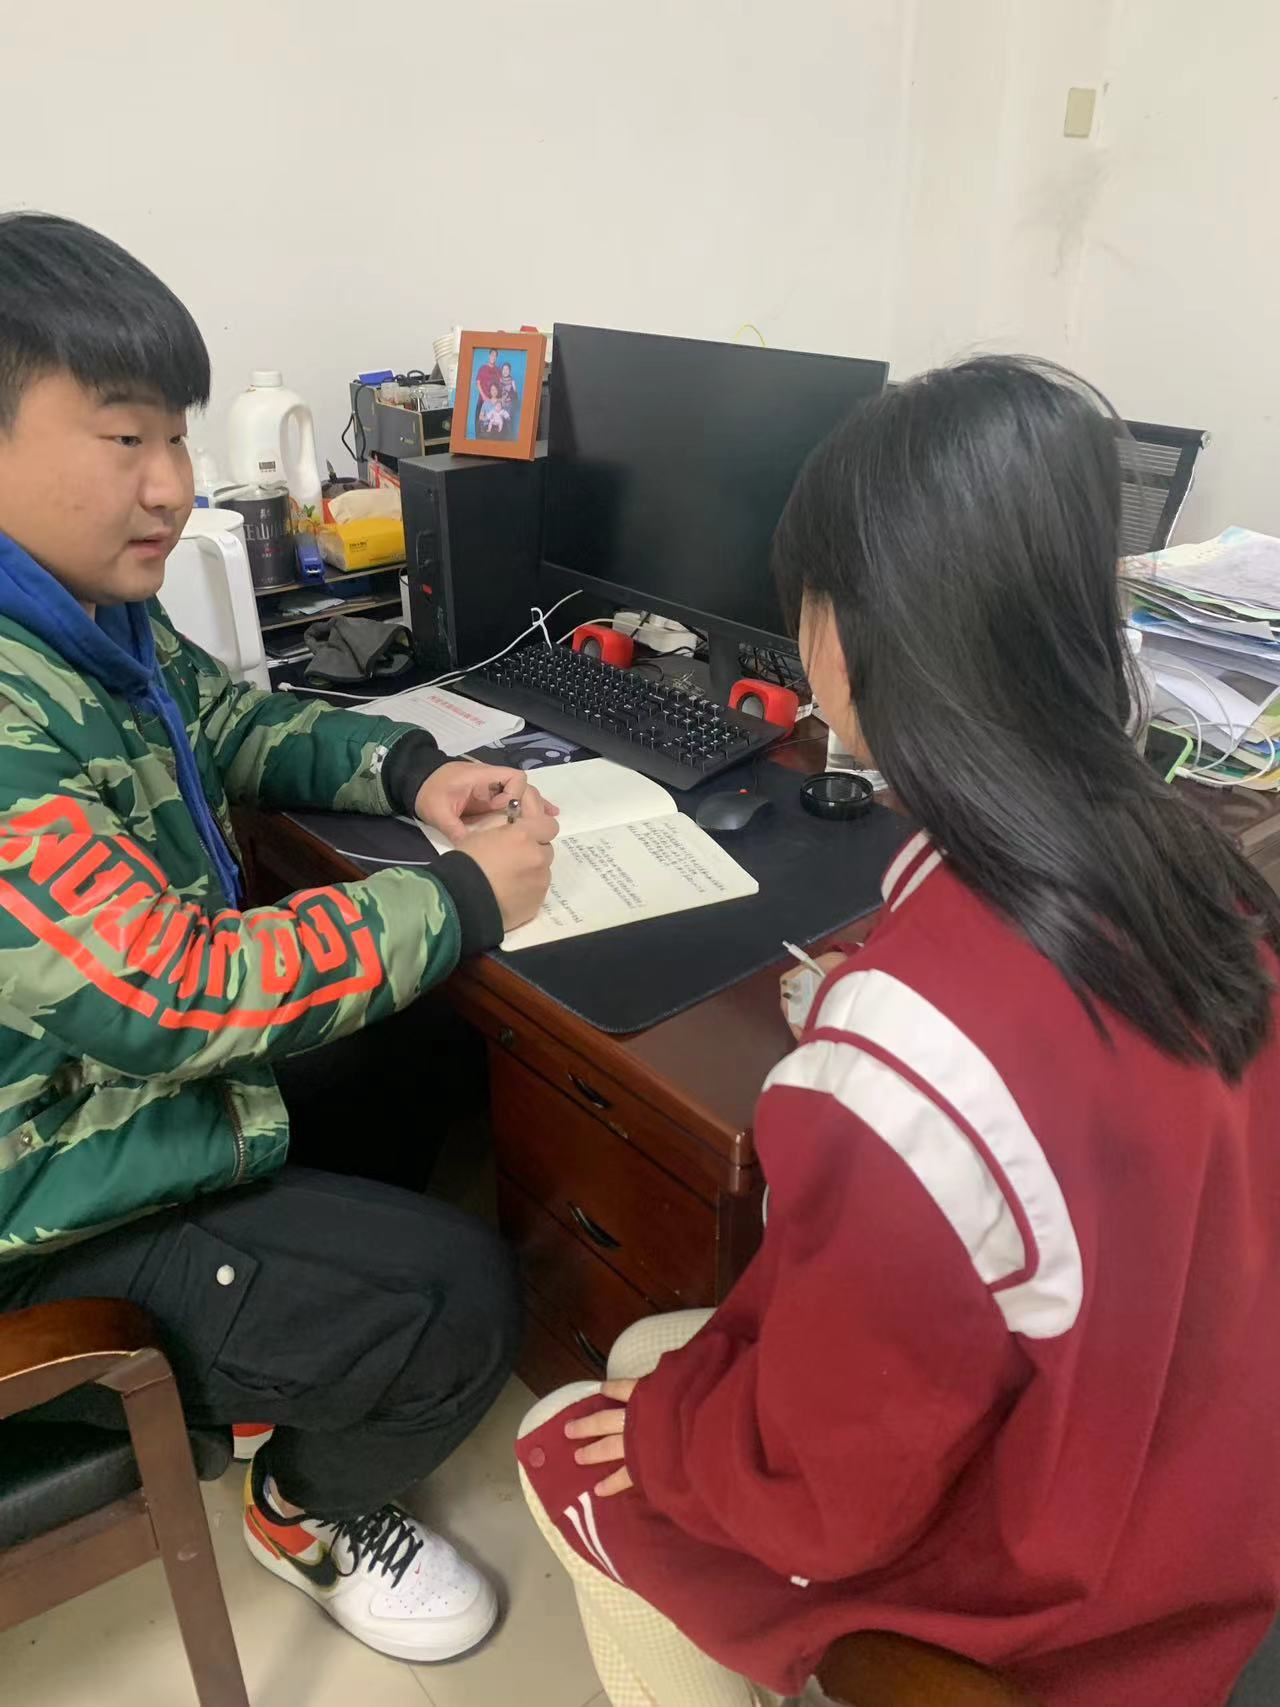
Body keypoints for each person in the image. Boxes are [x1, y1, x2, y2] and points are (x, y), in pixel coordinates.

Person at [516, 357, 1280, 1706]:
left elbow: (823, 1498)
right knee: (656, 1362)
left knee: (566, 1437)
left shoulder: (897, 1068)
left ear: (842, 635)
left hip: (1067, 1589)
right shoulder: (1194, 866)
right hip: (1202, 1478)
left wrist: (674, 1444)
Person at [0, 213, 560, 1666]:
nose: (173, 483)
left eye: (177, 436)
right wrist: (460, 896)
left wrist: (408, 772)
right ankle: (303, 1505)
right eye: (126, 436)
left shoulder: (78, 619)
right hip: (40, 1208)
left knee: (425, 1045)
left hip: (91, 1111)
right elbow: (166, 991)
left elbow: (231, 718)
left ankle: (294, 1341)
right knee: (463, 1298)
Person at [473, 347, 501, 426]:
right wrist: (484, 396)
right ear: (489, 356)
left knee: (491, 422)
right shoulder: (483, 368)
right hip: (482, 399)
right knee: (479, 421)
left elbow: (500, 385)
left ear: (496, 358)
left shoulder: (498, 370)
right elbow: (478, 383)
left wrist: (498, 400)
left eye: (495, 356)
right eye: (492, 355)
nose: (493, 357)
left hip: (493, 402)